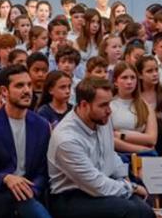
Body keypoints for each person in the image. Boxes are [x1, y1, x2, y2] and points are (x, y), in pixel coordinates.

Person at [46, 77, 153, 218]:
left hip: (101, 184)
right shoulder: (66, 139)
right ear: (84, 105)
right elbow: (96, 185)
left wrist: (125, 177)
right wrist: (131, 188)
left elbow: (110, 154)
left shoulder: (101, 119)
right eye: (103, 105)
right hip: (71, 197)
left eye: (109, 104)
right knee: (132, 211)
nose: (109, 111)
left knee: (144, 207)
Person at [0, 65, 53, 218]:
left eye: (29, 85)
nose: (27, 90)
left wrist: (30, 190)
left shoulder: (41, 125)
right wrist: (7, 178)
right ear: (4, 91)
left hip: (30, 193)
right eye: (20, 85)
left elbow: (43, 171)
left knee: (28, 203)